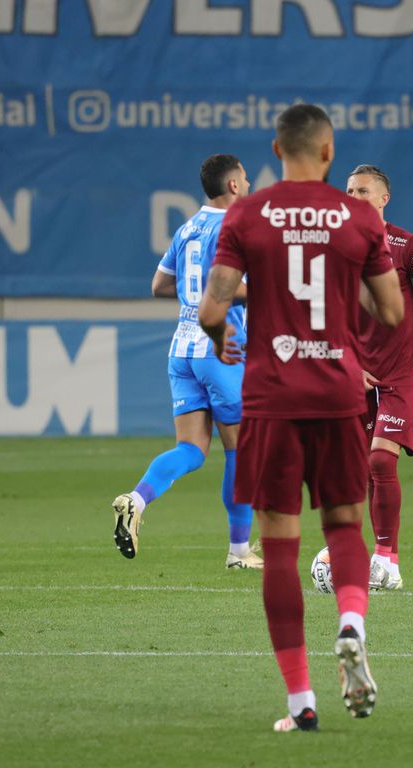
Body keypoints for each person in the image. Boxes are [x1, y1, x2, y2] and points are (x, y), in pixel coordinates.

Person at [199, 103, 404, 732]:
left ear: (275, 147)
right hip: (339, 393)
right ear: (328, 152)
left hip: (271, 395)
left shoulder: (246, 213)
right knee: (344, 525)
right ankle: (351, 621)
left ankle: (300, 702)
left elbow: (214, 305)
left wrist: (221, 336)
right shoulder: (358, 217)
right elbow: (392, 312)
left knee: (280, 545)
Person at [112, 154, 262, 569]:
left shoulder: (188, 228)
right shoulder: (233, 227)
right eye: (246, 181)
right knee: (240, 452)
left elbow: (159, 284)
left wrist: (195, 295)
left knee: (192, 449)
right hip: (220, 349)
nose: (249, 187)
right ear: (232, 185)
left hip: (181, 350)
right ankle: (238, 551)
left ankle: (136, 497)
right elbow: (231, 287)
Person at [345, 165, 413, 591]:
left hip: (402, 372)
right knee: (361, 468)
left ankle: (387, 560)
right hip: (358, 372)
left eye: (363, 191)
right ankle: (374, 556)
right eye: (349, 190)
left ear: (383, 198)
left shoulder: (408, 247)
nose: (354, 197)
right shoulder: (335, 248)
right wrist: (348, 365)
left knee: (380, 460)